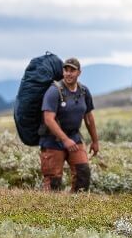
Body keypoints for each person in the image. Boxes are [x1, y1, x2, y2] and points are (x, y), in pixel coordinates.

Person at [39, 57, 99, 192]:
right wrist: (65, 140)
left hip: (74, 138)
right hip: (52, 141)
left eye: (72, 70)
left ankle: (75, 209)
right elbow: (48, 119)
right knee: (53, 182)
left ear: (79, 73)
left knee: (83, 175)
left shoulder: (83, 91)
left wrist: (95, 141)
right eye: (66, 70)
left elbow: (88, 117)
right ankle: (49, 211)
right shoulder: (54, 91)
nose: (68, 73)